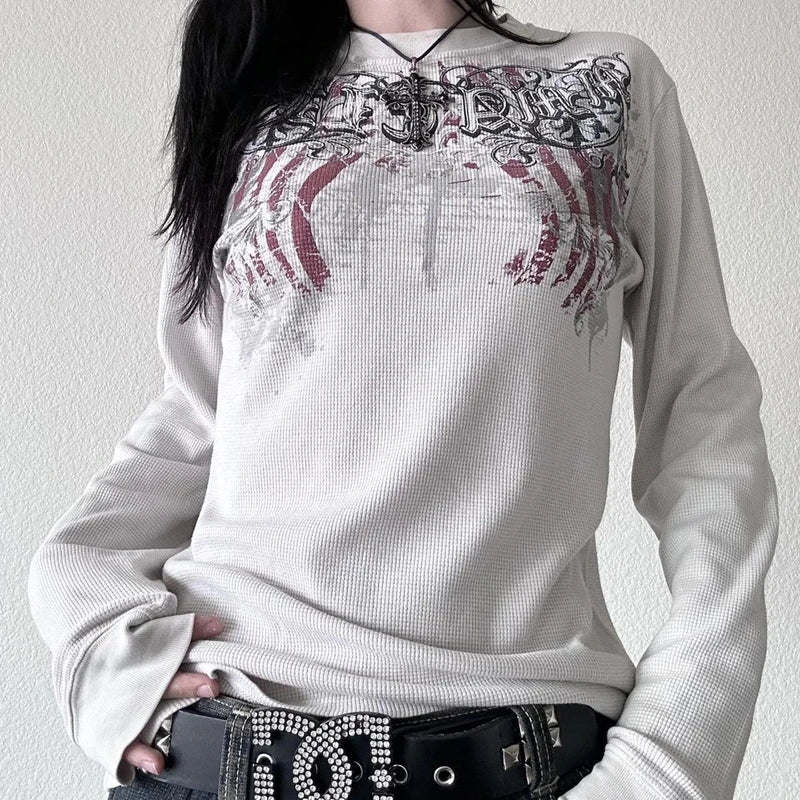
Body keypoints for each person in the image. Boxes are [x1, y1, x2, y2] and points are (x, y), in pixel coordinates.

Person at [27, 0, 780, 798]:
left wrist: (675, 752)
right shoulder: (247, 95)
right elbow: (199, 415)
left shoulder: (610, 81)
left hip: (522, 751)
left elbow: (704, 413)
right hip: (223, 748)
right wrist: (92, 625)